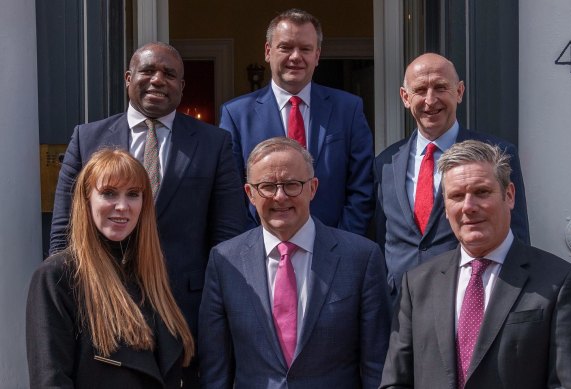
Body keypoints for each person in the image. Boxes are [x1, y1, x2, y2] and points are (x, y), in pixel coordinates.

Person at [49, 42, 247, 356]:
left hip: (184, 308)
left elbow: (228, 235)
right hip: (103, 303)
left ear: (181, 87)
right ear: (129, 78)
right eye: (148, 71)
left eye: (169, 74)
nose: (157, 79)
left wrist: (217, 303)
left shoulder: (214, 143)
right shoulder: (87, 139)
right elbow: (65, 229)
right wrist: (68, 297)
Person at [379, 140, 571, 388]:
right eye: (456, 196)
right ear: (445, 208)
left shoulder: (560, 283)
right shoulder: (417, 284)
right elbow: (396, 382)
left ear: (509, 195)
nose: (468, 207)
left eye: (481, 192)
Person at [198, 137, 390, 388]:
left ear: (313, 188)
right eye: (267, 186)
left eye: (292, 184)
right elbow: (216, 370)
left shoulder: (361, 258)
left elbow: (377, 367)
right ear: (250, 194)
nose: (280, 196)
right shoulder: (225, 262)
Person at [27, 149, 195, 388]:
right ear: (86, 199)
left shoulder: (151, 275)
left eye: (133, 194)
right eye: (109, 193)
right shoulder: (58, 276)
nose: (122, 206)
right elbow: (50, 381)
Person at [374, 53, 530, 310]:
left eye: (440, 87)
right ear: (405, 97)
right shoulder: (386, 163)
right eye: (420, 90)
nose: (430, 100)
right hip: (399, 308)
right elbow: (383, 239)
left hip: (467, 303)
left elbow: (517, 236)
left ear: (459, 92)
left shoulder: (497, 154)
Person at [219, 9, 374, 235]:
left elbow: (362, 187)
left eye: (305, 49)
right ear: (268, 51)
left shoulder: (348, 109)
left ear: (317, 55)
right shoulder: (237, 114)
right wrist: (254, 245)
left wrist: (342, 243)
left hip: (334, 247)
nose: (295, 56)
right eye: (286, 47)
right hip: (262, 251)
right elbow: (231, 194)